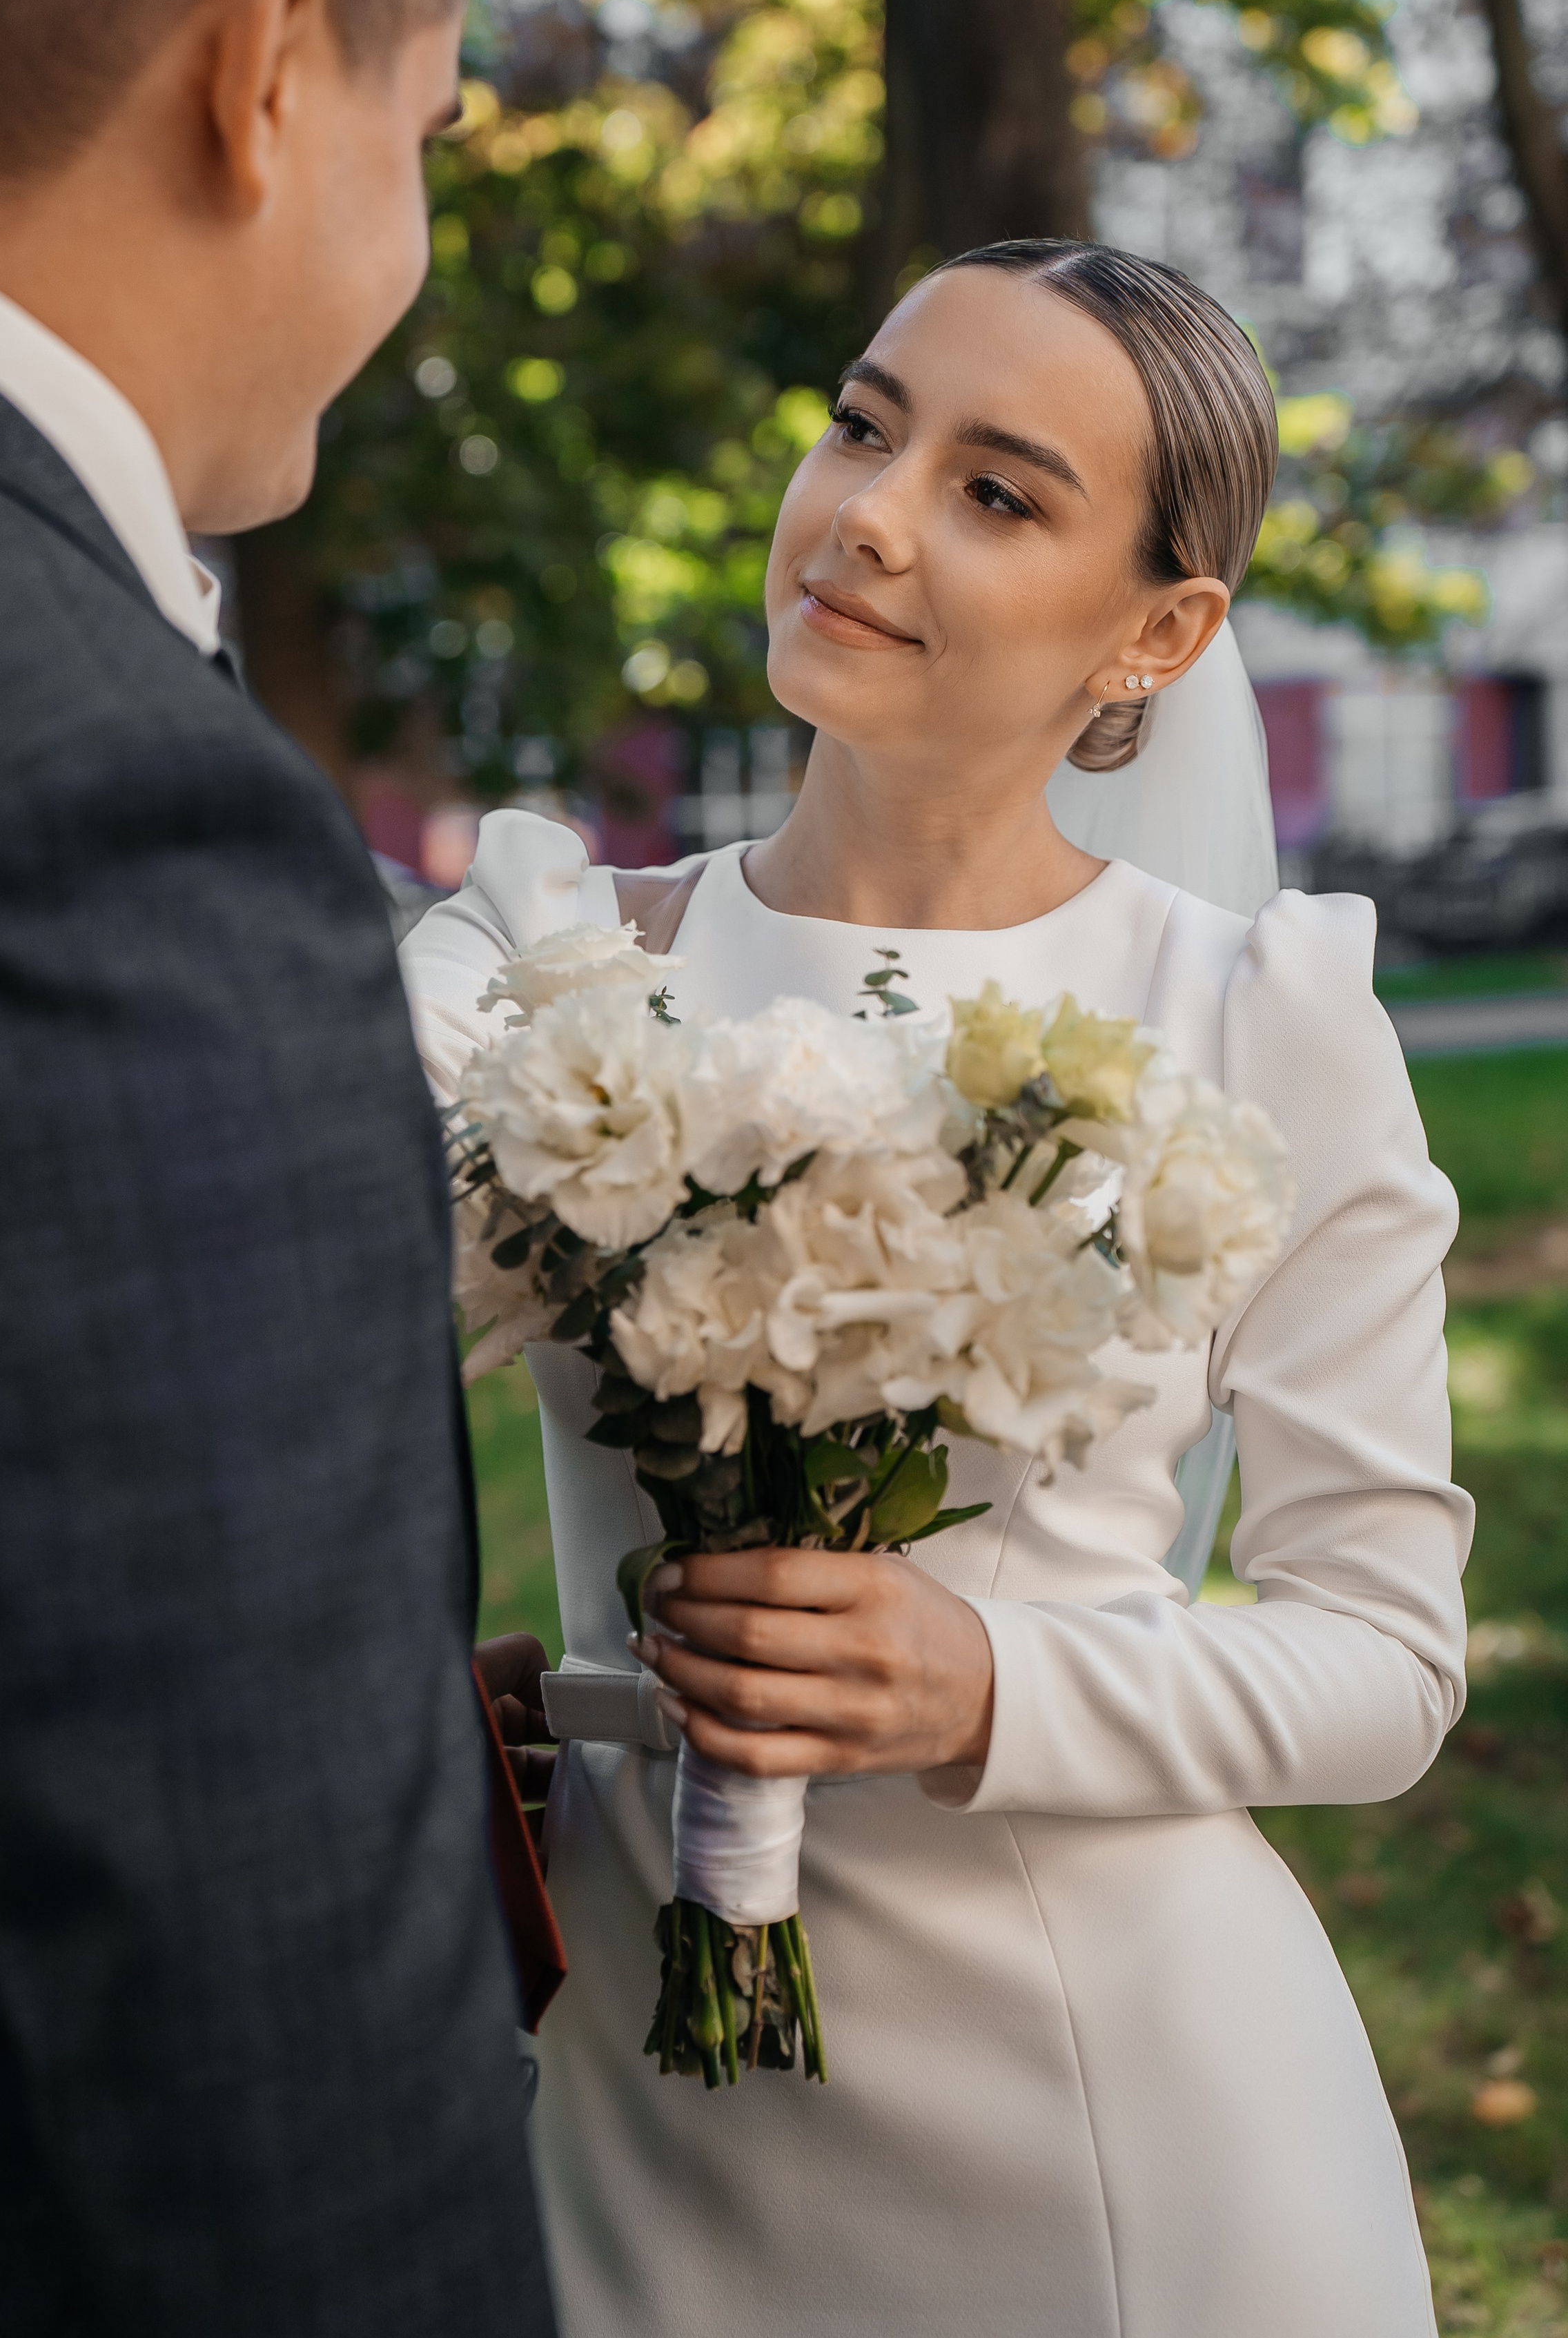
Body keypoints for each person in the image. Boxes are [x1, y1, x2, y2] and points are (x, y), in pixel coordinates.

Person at [402, 239, 1473, 2338]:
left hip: (1118, 2104)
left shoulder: (1262, 1010)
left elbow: (1388, 1660)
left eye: (999, 490)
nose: (870, 514)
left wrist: (994, 1683)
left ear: (1158, 631)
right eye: (863, 423)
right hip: (634, 2069)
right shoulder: (538, 962)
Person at [0, 0, 555, 2332]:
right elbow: (260, 2015)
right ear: (268, 62)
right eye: (429, 135)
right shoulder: (91, 807)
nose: (411, 232)